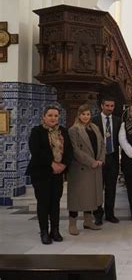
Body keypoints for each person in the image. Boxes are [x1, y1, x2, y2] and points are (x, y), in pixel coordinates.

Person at [26, 105, 73, 244]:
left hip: (58, 173)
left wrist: (63, 165)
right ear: (44, 117)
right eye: (50, 115)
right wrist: (52, 164)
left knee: (55, 203)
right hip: (41, 172)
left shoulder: (63, 131)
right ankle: (44, 232)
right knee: (43, 203)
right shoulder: (37, 131)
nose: (53, 118)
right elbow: (36, 150)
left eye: (56, 116)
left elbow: (69, 150)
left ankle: (55, 230)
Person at [67, 104, 105, 235]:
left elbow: (102, 144)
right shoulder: (74, 130)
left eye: (88, 114)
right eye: (83, 114)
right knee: (77, 197)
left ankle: (88, 221)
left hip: (95, 167)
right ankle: (72, 224)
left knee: (90, 196)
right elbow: (75, 150)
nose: (86, 117)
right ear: (79, 115)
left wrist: (100, 159)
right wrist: (91, 162)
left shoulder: (94, 127)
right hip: (81, 168)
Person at [93, 97, 121, 225]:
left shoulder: (117, 121)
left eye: (112, 106)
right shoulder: (94, 121)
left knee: (111, 188)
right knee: (98, 188)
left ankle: (110, 214)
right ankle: (98, 214)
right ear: (102, 106)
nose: (110, 108)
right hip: (98, 158)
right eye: (107, 105)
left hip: (113, 158)